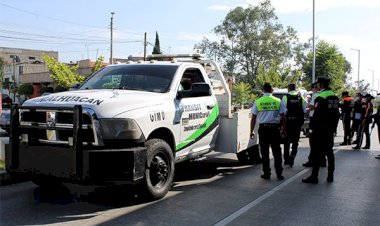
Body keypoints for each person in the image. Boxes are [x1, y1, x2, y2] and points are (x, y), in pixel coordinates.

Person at [302, 77, 340, 184]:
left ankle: (314, 176)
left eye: (318, 84)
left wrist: (311, 129)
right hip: (330, 129)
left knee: (317, 152)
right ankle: (330, 176)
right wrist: (334, 129)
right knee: (329, 152)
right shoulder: (334, 96)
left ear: (321, 85)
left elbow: (316, 115)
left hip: (320, 129)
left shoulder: (320, 97)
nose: (317, 86)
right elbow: (336, 114)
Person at [250, 83, 287, 180]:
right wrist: (283, 129)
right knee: (277, 152)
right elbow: (283, 117)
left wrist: (251, 131)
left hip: (263, 129)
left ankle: (267, 173)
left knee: (264, 152)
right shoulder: (278, 101)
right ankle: (279, 174)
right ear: (272, 90)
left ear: (263, 90)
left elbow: (253, 118)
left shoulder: (258, 101)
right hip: (275, 129)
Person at [282, 84, 307, 167]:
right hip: (297, 122)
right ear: (295, 89)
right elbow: (304, 109)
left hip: (288, 122)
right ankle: (292, 158)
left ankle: (286, 159)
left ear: (288, 89)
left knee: (286, 141)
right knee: (295, 142)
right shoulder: (300, 97)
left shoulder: (286, 97)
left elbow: (284, 111)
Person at [303, 82, 326, 168]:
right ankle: (322, 160)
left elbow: (311, 107)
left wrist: (308, 105)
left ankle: (312, 160)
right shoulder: (323, 95)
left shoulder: (316, 95)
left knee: (312, 140)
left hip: (314, 121)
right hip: (321, 121)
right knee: (320, 141)